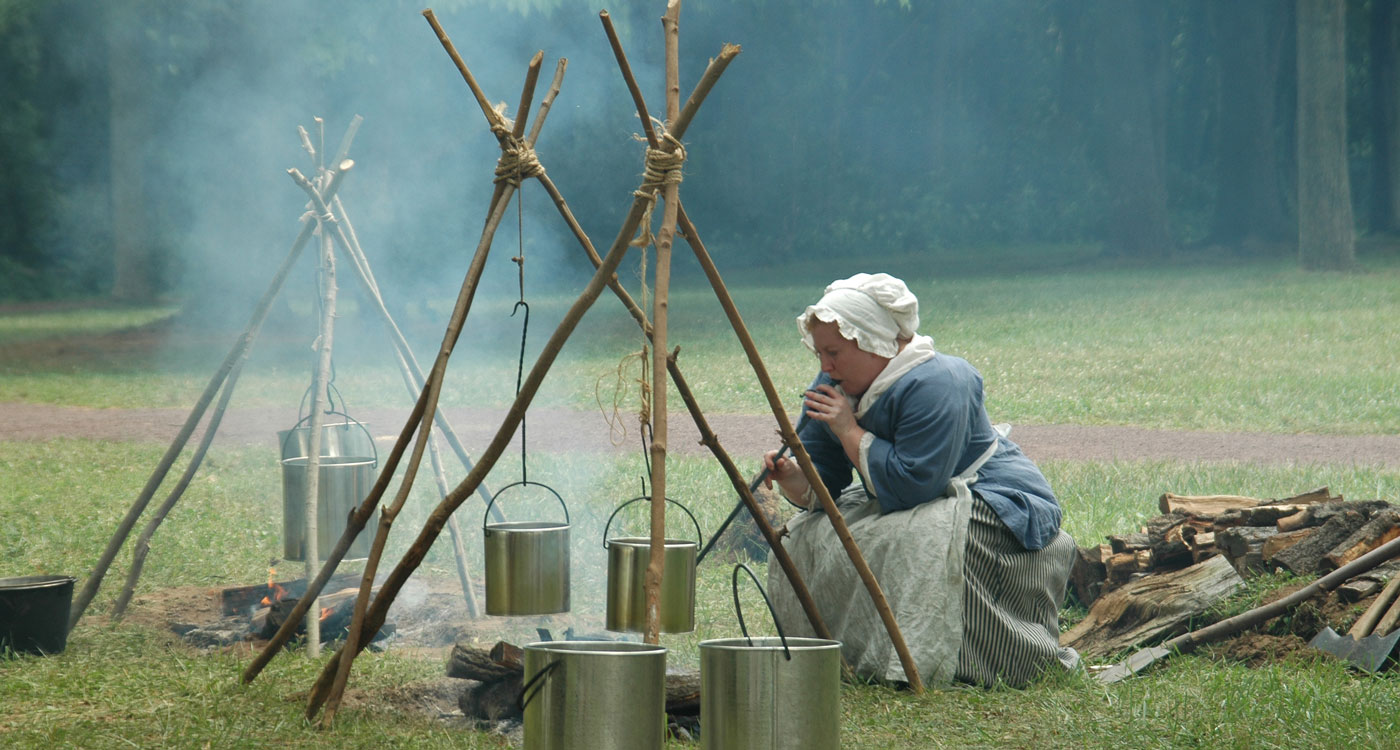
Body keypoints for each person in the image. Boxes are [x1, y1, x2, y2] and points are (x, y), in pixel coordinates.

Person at [762, 272, 1080, 688]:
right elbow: (825, 475)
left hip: (993, 496)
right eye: (820, 353)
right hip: (907, 495)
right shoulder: (833, 385)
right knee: (803, 537)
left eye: (834, 352)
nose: (825, 366)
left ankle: (943, 660)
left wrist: (848, 430)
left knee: (916, 542)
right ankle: (843, 653)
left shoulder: (942, 380)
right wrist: (793, 474)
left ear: (874, 339)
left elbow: (915, 484)